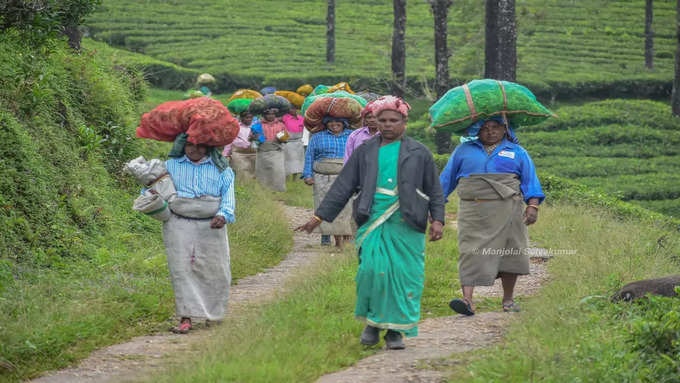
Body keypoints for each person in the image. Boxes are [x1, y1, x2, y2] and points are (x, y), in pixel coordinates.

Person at [296, 96, 445, 350]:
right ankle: (373, 323)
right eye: (382, 120)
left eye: (393, 120)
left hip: (407, 222)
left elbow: (434, 188)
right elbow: (343, 186)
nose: (387, 125)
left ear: (404, 122)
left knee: (404, 275)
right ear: (375, 121)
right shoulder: (365, 151)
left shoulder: (419, 152)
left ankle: (395, 331)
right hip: (373, 218)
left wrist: (438, 220)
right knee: (371, 272)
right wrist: (318, 217)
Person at [439, 116, 544, 316]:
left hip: (509, 210)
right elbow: (446, 179)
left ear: (505, 129)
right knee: (470, 251)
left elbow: (530, 180)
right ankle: (467, 300)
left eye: (495, 127)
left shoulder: (517, 152)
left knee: (510, 251)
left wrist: (533, 205)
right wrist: (436, 208)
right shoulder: (463, 151)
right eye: (485, 128)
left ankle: (508, 300)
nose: (490, 132)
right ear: (477, 130)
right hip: (474, 211)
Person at [162, 133, 235, 333]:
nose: (195, 150)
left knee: (216, 269)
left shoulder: (222, 169)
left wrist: (224, 214)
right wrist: (153, 199)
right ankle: (186, 317)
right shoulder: (170, 166)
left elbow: (228, 196)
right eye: (190, 145)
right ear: (182, 145)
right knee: (182, 269)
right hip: (178, 223)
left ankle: (215, 314)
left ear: (209, 147)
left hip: (212, 224)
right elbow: (154, 190)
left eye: (201, 146)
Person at [302, 116, 353, 247]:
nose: (334, 124)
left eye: (338, 121)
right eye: (330, 122)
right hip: (322, 177)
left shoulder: (352, 136)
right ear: (326, 123)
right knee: (323, 206)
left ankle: (344, 238)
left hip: (345, 177)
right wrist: (308, 175)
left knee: (345, 208)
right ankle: (326, 235)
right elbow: (309, 156)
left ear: (344, 123)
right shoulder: (317, 137)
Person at [251, 108, 287, 192]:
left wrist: (281, 138)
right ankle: (263, 190)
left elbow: (285, 140)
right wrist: (253, 137)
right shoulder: (257, 125)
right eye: (268, 114)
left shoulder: (280, 125)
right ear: (263, 115)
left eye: (273, 114)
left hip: (276, 151)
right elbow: (251, 138)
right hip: (262, 152)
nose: (271, 116)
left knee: (278, 170)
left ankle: (278, 190)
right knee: (262, 172)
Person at [223, 111, 257, 177]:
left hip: (252, 152)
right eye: (247, 117)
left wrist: (255, 138)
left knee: (252, 172)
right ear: (241, 118)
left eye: (251, 117)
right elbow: (230, 141)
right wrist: (225, 153)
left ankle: (251, 184)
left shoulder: (255, 127)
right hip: (238, 152)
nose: (249, 119)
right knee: (241, 171)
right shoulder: (236, 127)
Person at [282, 106, 305, 179]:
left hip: (298, 142)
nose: (292, 110)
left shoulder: (301, 118)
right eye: (290, 108)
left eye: (293, 108)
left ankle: (295, 178)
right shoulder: (285, 117)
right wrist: (283, 139)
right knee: (288, 160)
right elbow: (280, 128)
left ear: (297, 109)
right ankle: (287, 177)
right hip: (288, 142)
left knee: (298, 160)